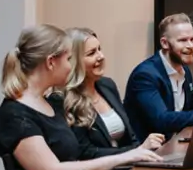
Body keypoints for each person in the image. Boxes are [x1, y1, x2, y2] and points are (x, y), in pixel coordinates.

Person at [0, 24, 162, 170]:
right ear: (51, 62)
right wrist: (125, 157)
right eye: (69, 59)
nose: (71, 66)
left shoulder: (46, 104)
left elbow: (74, 162)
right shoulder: (15, 115)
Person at [60, 27, 165, 160]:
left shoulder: (107, 85)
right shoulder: (67, 99)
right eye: (92, 53)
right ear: (74, 61)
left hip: (128, 166)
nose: (101, 56)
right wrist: (136, 151)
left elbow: (131, 136)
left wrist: (143, 151)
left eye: (99, 49)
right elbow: (86, 152)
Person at [124, 13, 193, 140]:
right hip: (149, 152)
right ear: (165, 43)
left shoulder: (184, 69)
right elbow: (162, 120)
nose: (191, 46)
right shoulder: (145, 75)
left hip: (176, 146)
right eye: (183, 40)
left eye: (192, 39)